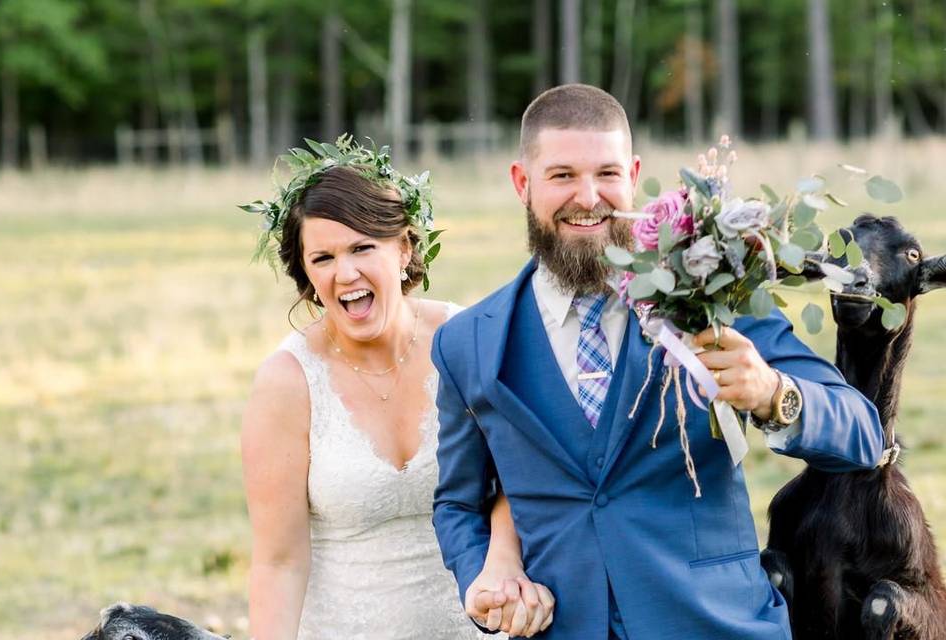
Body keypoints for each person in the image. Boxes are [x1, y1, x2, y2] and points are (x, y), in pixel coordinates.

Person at [431, 84, 885, 639]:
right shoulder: (467, 343)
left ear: (634, 174)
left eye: (606, 174)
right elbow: (458, 502)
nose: (588, 197)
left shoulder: (718, 295)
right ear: (522, 183)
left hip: (716, 625)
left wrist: (772, 394)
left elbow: (861, 432)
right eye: (562, 176)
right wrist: (486, 577)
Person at [240, 138, 553, 639]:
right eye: (323, 258)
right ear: (306, 272)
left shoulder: (468, 340)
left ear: (404, 248)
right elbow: (279, 564)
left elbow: (523, 480)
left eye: (363, 247)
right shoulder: (286, 383)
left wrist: (502, 563)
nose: (346, 273)